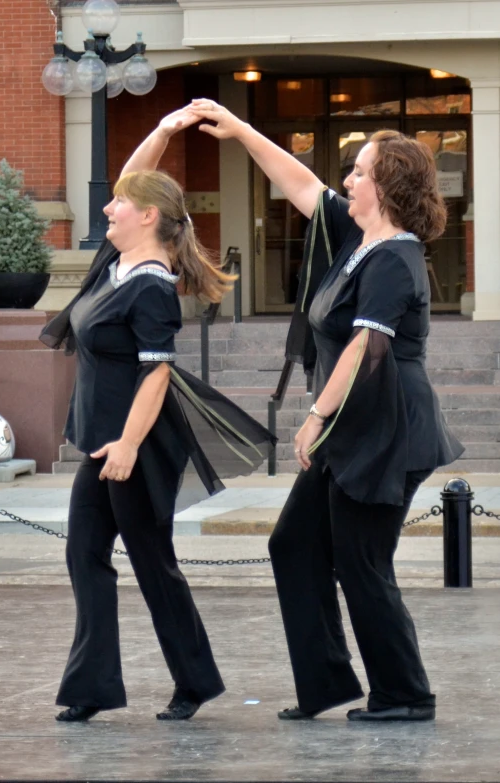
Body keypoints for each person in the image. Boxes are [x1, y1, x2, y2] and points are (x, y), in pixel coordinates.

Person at [190, 99, 463, 722]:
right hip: (354, 423)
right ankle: (327, 685)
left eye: (360, 172)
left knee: (361, 562)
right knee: (294, 544)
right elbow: (301, 184)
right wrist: (240, 131)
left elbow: (367, 344)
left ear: (387, 185)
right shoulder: (357, 238)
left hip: (385, 425)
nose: (347, 180)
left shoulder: (397, 255)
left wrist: (315, 414)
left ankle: (406, 694)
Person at [40, 107, 275, 723]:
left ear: (148, 218)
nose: (107, 209)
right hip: (103, 442)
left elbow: (157, 374)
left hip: (135, 448)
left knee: (152, 565)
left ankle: (193, 681)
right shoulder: (114, 265)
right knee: (85, 556)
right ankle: (91, 688)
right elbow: (131, 177)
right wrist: (167, 130)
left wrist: (124, 447)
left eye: (120, 206)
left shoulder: (150, 285)